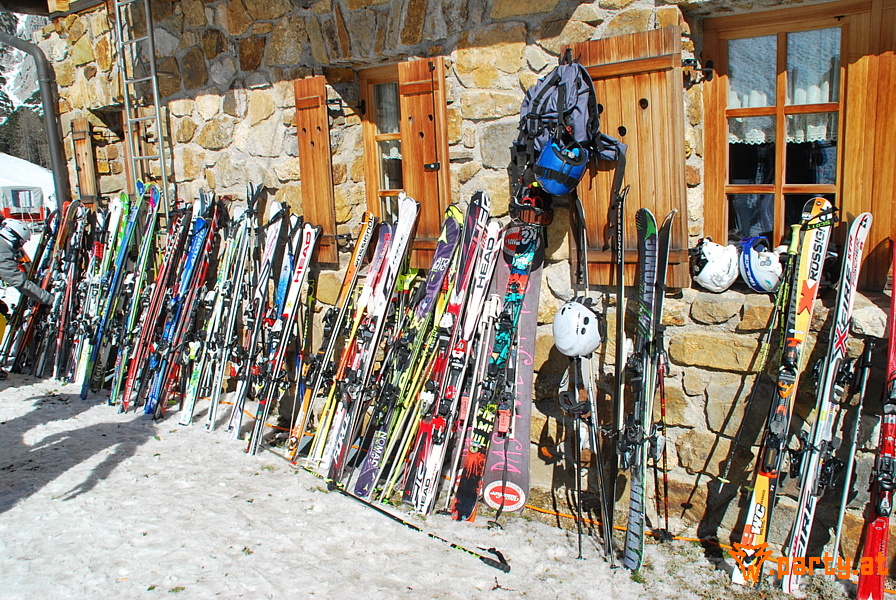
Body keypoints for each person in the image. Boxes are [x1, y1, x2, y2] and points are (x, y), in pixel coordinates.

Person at [0, 219, 52, 306]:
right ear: (12, 237)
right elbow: (19, 281)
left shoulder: (3, 245)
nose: (20, 248)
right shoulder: (2, 253)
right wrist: (48, 299)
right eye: (20, 244)